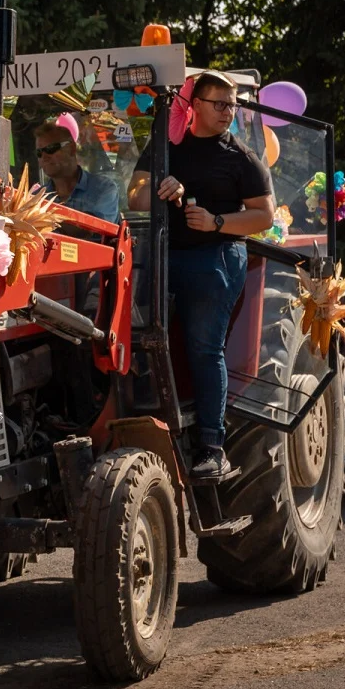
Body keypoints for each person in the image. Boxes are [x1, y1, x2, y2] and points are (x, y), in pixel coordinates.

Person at [127, 70, 274, 478]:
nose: (229, 111)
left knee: (205, 349)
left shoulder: (241, 157)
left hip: (217, 257)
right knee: (136, 339)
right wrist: (161, 185)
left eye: (232, 105)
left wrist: (216, 222)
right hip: (162, 255)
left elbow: (264, 215)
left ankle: (212, 445)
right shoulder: (165, 146)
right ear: (195, 105)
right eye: (221, 104)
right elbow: (135, 195)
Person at [34, 119, 120, 223]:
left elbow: (90, 228)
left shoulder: (103, 189)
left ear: (71, 148)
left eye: (51, 148)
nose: (44, 156)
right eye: (39, 152)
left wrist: (43, 216)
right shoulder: (35, 198)